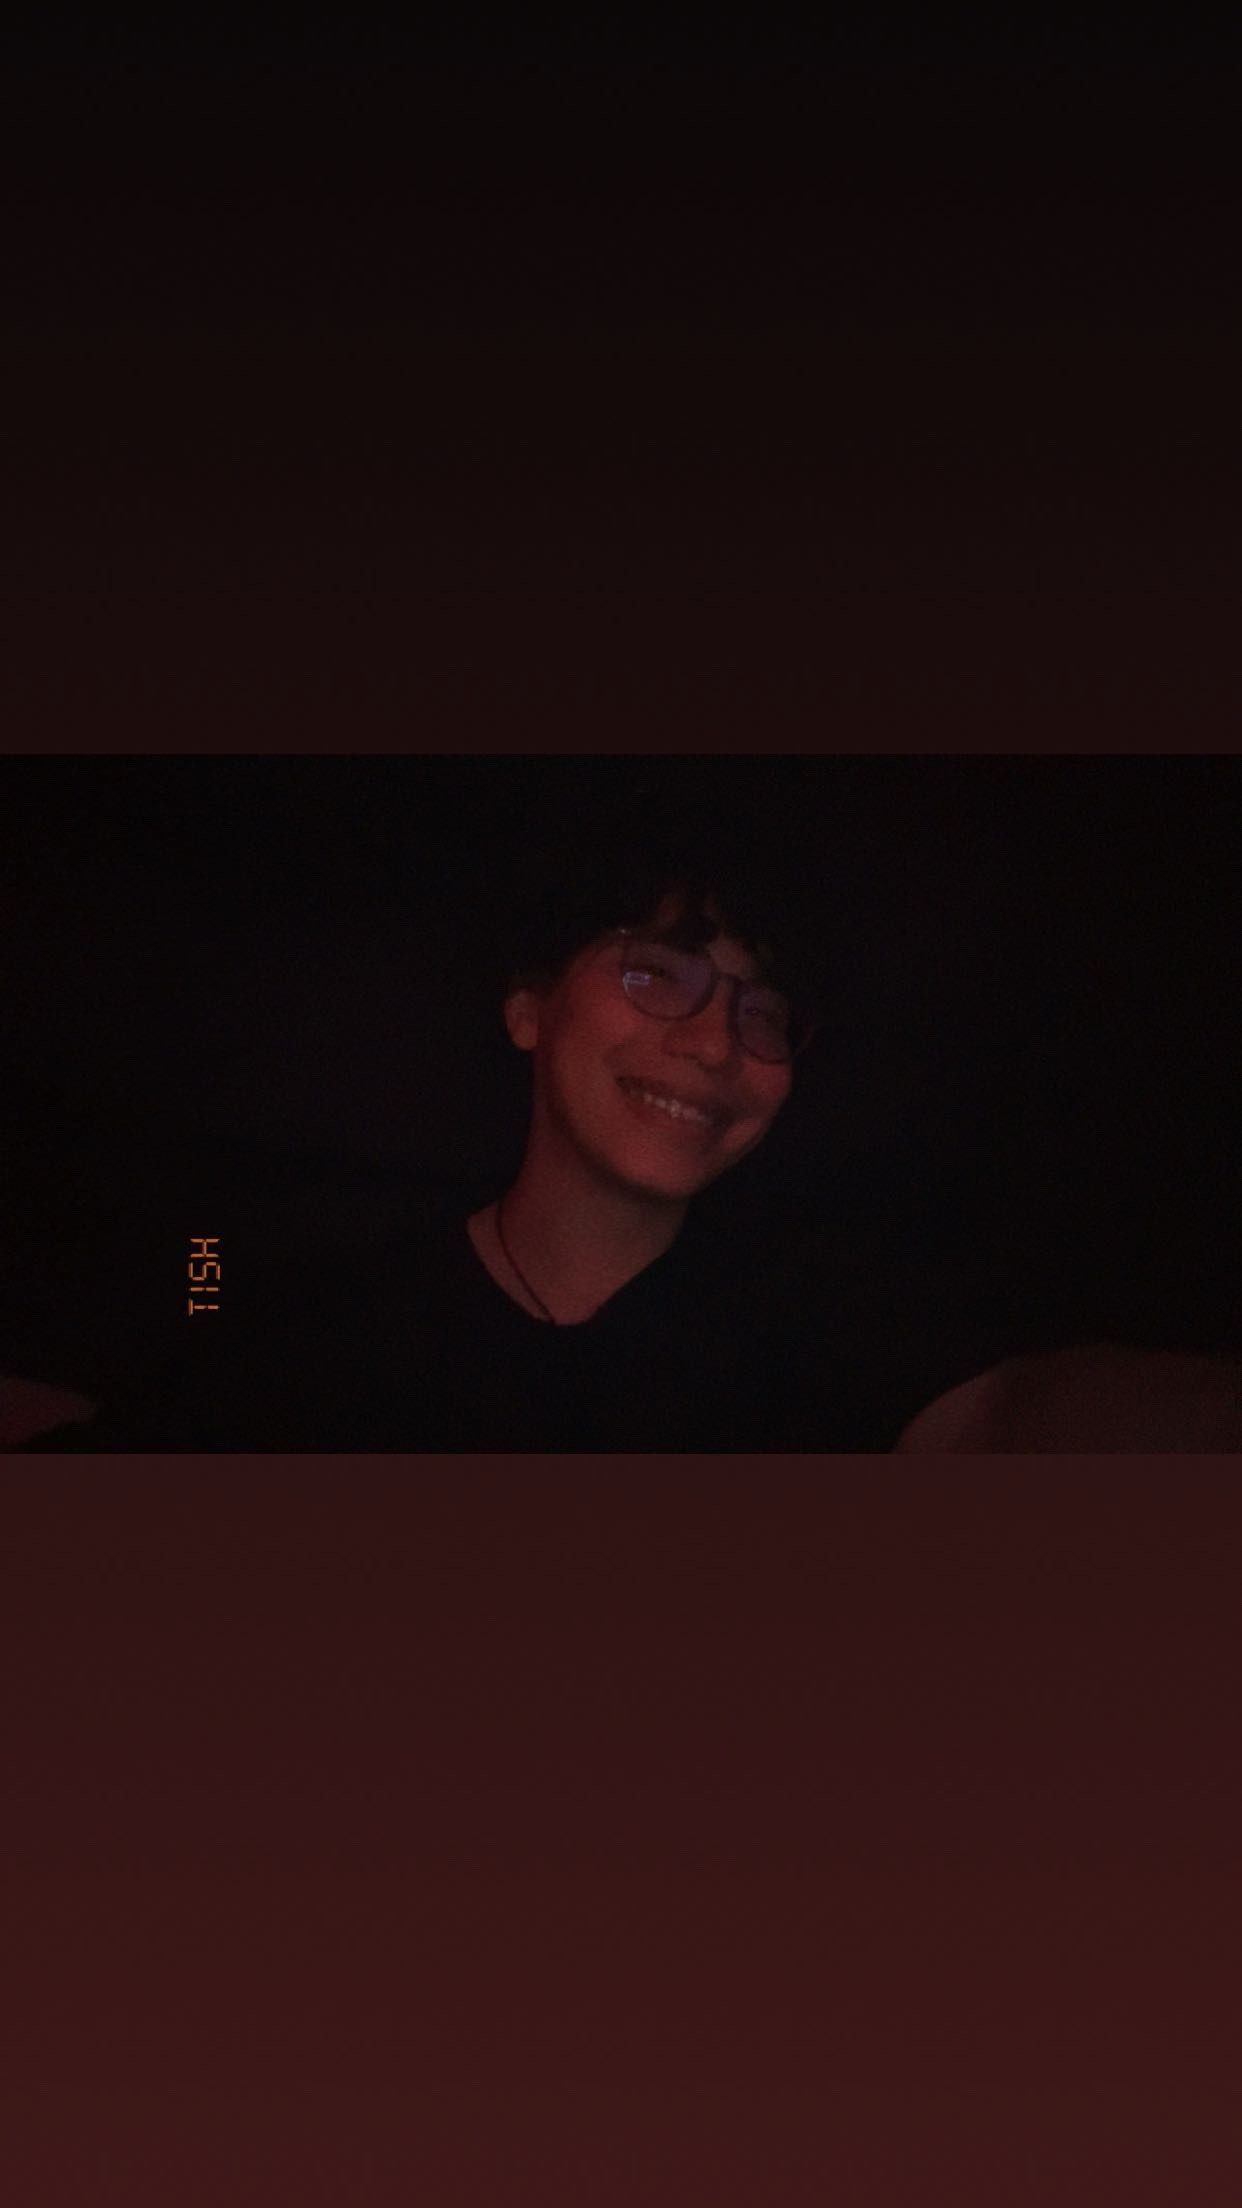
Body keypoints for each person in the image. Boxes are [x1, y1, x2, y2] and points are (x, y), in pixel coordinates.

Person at [13, 816, 1009, 1452]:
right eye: (656, 973)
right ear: (530, 1008)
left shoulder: (835, 1328)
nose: (716, 1043)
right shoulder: (307, 1320)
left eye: (766, 1013)